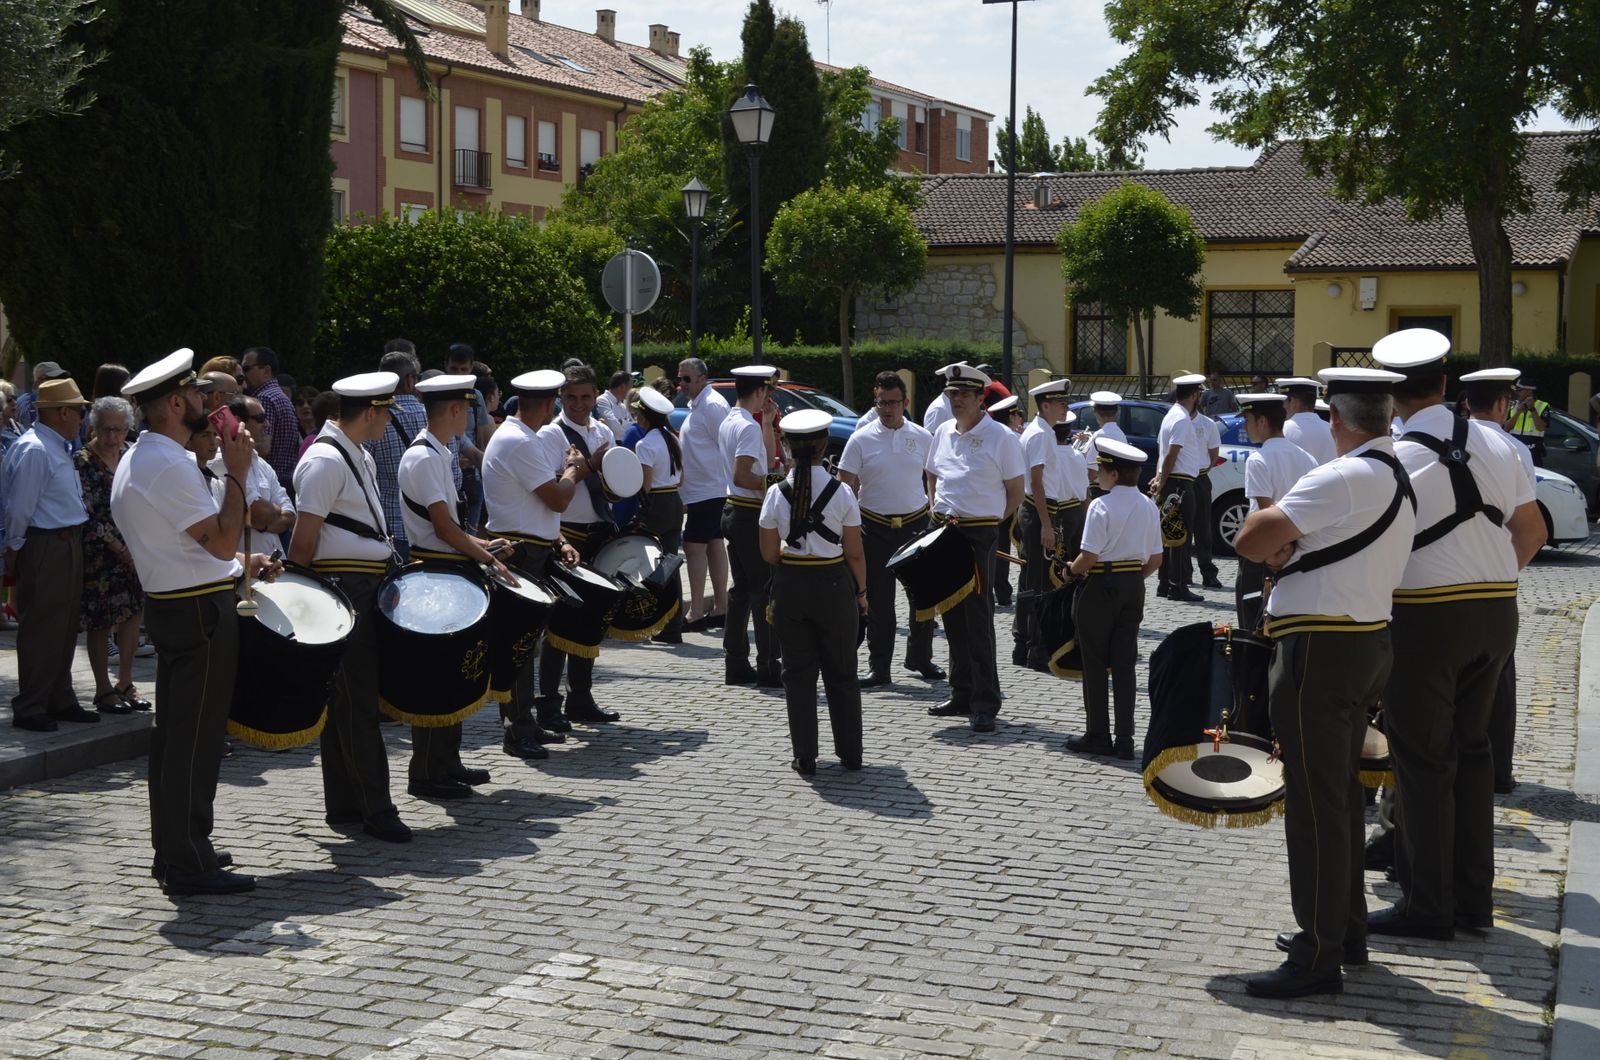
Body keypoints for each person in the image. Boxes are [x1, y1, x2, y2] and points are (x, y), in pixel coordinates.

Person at [1234, 366, 1416, 999]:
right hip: (1364, 641)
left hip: (1321, 649)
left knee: (1314, 803)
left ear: (1335, 418)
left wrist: (1280, 548)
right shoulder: (1396, 474)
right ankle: (1345, 929)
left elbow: (1250, 537)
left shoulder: (1343, 474)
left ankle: (1317, 954)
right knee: (1336, 792)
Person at [1369, 330, 1544, 943]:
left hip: (1425, 617)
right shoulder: (1497, 444)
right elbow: (1532, 529)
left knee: (1422, 761)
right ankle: (1474, 902)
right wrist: (1490, 579)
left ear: (1392, 396)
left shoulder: (1389, 457)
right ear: (1446, 385)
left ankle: (1427, 905)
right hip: (1497, 612)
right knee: (1474, 755)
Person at [113, 347, 268, 896]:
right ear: (177, 402)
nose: (210, 403)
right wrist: (239, 475)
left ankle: (182, 847)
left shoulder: (148, 456)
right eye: (200, 396)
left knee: (180, 737)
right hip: (196, 610)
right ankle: (185, 860)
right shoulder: (166, 463)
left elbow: (205, 547)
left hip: (184, 601)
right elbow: (224, 535)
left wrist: (234, 561)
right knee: (193, 741)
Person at [290, 371, 412, 844]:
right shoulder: (324, 459)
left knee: (348, 699)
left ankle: (345, 802)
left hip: (361, 582)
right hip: (342, 587)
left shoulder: (353, 452)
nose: (387, 423)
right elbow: (303, 544)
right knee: (356, 699)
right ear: (373, 411)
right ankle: (375, 808)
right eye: (386, 413)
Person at [398, 374, 515, 800]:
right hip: (436, 572)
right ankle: (427, 772)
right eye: (466, 409)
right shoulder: (425, 457)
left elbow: (451, 525)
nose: (468, 416)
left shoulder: (439, 452)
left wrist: (485, 543)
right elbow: (443, 529)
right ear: (452, 410)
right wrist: (488, 558)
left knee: (453, 672)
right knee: (437, 675)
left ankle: (447, 760)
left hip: (448, 567)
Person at [482, 369, 585, 758]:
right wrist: (575, 468)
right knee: (519, 646)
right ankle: (517, 728)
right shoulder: (520, 441)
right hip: (521, 552)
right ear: (548, 404)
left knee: (527, 646)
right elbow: (557, 498)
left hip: (532, 547)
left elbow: (537, 504)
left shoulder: (519, 437)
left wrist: (558, 540)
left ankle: (525, 722)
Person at [759, 409, 867, 775]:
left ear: (787, 446)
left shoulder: (775, 493)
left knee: (798, 674)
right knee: (843, 672)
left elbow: (769, 553)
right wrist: (862, 592)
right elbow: (854, 552)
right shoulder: (842, 492)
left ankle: (805, 755)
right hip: (834, 585)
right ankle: (851, 753)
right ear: (824, 445)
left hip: (791, 587)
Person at [924, 363, 1025, 733]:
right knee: (951, 614)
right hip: (945, 530)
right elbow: (932, 470)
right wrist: (934, 503)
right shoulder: (943, 432)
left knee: (978, 620)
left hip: (980, 532)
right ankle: (961, 691)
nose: (956, 401)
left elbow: (1016, 491)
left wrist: (992, 521)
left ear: (981, 398)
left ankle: (985, 701)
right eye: (952, 394)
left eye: (964, 395)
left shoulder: (1001, 437)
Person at [836, 371, 942, 688]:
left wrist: (935, 507)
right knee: (879, 603)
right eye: (881, 402)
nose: (887, 409)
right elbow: (845, 484)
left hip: (915, 524)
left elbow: (934, 475)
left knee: (923, 598)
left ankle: (920, 658)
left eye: (893, 402)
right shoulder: (861, 438)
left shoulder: (923, 436)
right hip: (874, 526)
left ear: (905, 402)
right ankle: (879, 667)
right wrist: (847, 524)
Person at [3, 376, 94, 732]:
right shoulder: (36, 449)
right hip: (45, 544)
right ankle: (31, 704)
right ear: (62, 413)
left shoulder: (54, 446)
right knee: (43, 627)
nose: (81, 419)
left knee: (65, 626)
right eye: (78, 412)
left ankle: (59, 697)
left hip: (64, 542)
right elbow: (20, 507)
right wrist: (14, 547)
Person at [536, 364, 623, 729]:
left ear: (595, 394)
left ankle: (581, 698)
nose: (579, 404)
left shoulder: (603, 430)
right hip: (566, 533)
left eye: (586, 397)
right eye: (571, 397)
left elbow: (618, 478)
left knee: (590, 620)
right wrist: (587, 465)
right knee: (560, 623)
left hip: (599, 530)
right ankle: (549, 705)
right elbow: (551, 489)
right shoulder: (549, 435)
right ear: (560, 398)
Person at [1064, 437, 1162, 758]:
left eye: (1102, 469)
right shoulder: (1148, 505)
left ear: (1115, 474)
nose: (1099, 474)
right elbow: (1156, 559)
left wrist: (1069, 573)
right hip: (1134, 584)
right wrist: (1132, 578)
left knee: (1093, 662)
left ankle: (1097, 734)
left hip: (1100, 586)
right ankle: (1125, 739)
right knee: (1124, 664)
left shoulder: (1100, 505)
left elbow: (1088, 557)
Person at [1463, 367, 1535, 794]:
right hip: (1495, 580)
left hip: (1437, 586)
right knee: (1498, 682)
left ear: (1466, 403)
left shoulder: (1425, 444)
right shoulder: (1514, 450)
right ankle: (1497, 770)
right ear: (1505, 404)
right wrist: (1506, 574)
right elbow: (1526, 525)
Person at [77, 396, 148, 716]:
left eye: (120, 430)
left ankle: (126, 682)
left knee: (133, 614)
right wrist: (122, 550)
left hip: (135, 548)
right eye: (106, 430)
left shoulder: (132, 456)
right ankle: (103, 688)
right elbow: (89, 512)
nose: (113, 437)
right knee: (101, 620)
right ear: (94, 427)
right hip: (101, 553)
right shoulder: (82, 461)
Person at [1232, 393, 1316, 631]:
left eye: (1247, 420)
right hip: (1296, 548)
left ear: (1262, 421)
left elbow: (1267, 511)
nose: (1245, 427)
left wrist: (1273, 553)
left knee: (1252, 621)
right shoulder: (1307, 458)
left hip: (1265, 550)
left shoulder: (1258, 459)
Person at [720, 365, 782, 686]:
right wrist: (777, 483)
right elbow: (743, 475)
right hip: (747, 513)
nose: (769, 397)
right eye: (767, 391)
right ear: (759, 390)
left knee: (742, 589)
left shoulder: (736, 421)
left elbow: (766, 460)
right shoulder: (746, 427)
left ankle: (736, 661)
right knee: (762, 589)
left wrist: (769, 425)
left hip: (735, 510)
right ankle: (769, 664)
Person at [1014, 379, 1072, 670]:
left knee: (1032, 580)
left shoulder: (1040, 431)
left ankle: (1023, 644)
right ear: (1046, 404)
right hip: (1041, 511)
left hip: (1038, 509)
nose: (1066, 407)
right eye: (1061, 403)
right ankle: (1036, 652)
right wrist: (1047, 526)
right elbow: (1036, 481)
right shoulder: (1041, 435)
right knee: (1041, 584)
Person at [676, 357, 730, 631]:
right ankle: (720, 607)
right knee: (713, 544)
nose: (681, 384)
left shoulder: (711, 405)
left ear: (701, 378)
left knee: (694, 548)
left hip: (708, 491)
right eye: (680, 378)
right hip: (704, 490)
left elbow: (726, 445)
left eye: (687, 379)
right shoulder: (700, 404)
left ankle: (696, 612)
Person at [633, 386, 686, 644]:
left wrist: (639, 513)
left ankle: (664, 621)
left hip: (656, 503)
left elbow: (645, 485)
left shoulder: (645, 443)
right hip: (674, 500)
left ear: (645, 416)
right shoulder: (672, 439)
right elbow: (682, 477)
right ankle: (673, 623)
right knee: (670, 563)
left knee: (657, 567)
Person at [1150, 373, 1206, 603]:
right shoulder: (1182, 419)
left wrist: (1159, 478)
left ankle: (1165, 584)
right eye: (1199, 394)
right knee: (1180, 537)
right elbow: (1172, 453)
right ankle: (1177, 585)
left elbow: (1162, 454)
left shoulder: (1170, 416)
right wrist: (1162, 480)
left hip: (1172, 482)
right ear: (1194, 395)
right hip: (1180, 483)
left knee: (1168, 535)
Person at [367, 350, 428, 560]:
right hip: (431, 529)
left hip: (390, 527)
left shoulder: (373, 419)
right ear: (410, 381)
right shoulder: (434, 417)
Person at [218, 396, 295, 548]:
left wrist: (262, 522)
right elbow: (257, 512)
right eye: (260, 418)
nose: (267, 423)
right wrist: (268, 517)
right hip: (244, 568)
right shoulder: (220, 461)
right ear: (239, 421)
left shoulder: (263, 465)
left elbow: (291, 515)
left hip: (272, 566)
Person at [240, 347, 302, 491]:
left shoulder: (264, 399)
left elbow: (263, 447)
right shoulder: (281, 397)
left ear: (266, 371)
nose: (243, 375)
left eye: (246, 368)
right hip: (285, 479)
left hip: (272, 482)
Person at [444, 344, 488, 528]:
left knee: (471, 530)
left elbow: (482, 437)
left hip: (470, 472)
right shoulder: (436, 394)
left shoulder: (476, 396)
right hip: (444, 470)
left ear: (471, 368)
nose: (459, 374)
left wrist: (474, 461)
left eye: (464, 369)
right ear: (446, 365)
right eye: (454, 369)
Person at [1190, 404, 1223, 588]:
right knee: (1181, 530)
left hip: (1200, 477)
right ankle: (1183, 574)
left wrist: (1203, 470)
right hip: (1180, 478)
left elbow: (1214, 453)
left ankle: (1208, 572)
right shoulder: (1175, 420)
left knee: (1203, 529)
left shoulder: (1208, 424)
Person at [1279, 377, 1337, 465]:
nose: (1282, 407)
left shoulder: (1281, 430)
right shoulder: (1332, 430)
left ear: (1294, 402)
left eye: (1283, 403)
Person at [1079, 391, 1127, 491]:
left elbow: (1091, 472)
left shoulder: (1099, 435)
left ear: (1095, 412)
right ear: (1117, 412)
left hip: (1100, 488)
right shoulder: (1120, 434)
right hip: (1115, 486)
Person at [14, 361, 70, 431]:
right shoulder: (23, 403)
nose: (59, 382)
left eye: (62, 378)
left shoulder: (71, 402)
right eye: (54, 378)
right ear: (39, 380)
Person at [1504, 381, 1551, 466]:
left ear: (1529, 391)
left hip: (1533, 453)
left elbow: (1541, 427)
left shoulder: (1543, 406)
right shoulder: (1513, 405)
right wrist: (1518, 412)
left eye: (1519, 391)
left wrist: (1532, 409)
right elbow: (1506, 428)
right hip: (1515, 451)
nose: (1516, 393)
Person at [595, 370, 633, 439]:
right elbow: (613, 426)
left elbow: (633, 427)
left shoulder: (622, 406)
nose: (631, 391)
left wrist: (620, 422)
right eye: (630, 388)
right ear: (622, 387)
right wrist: (625, 423)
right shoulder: (602, 400)